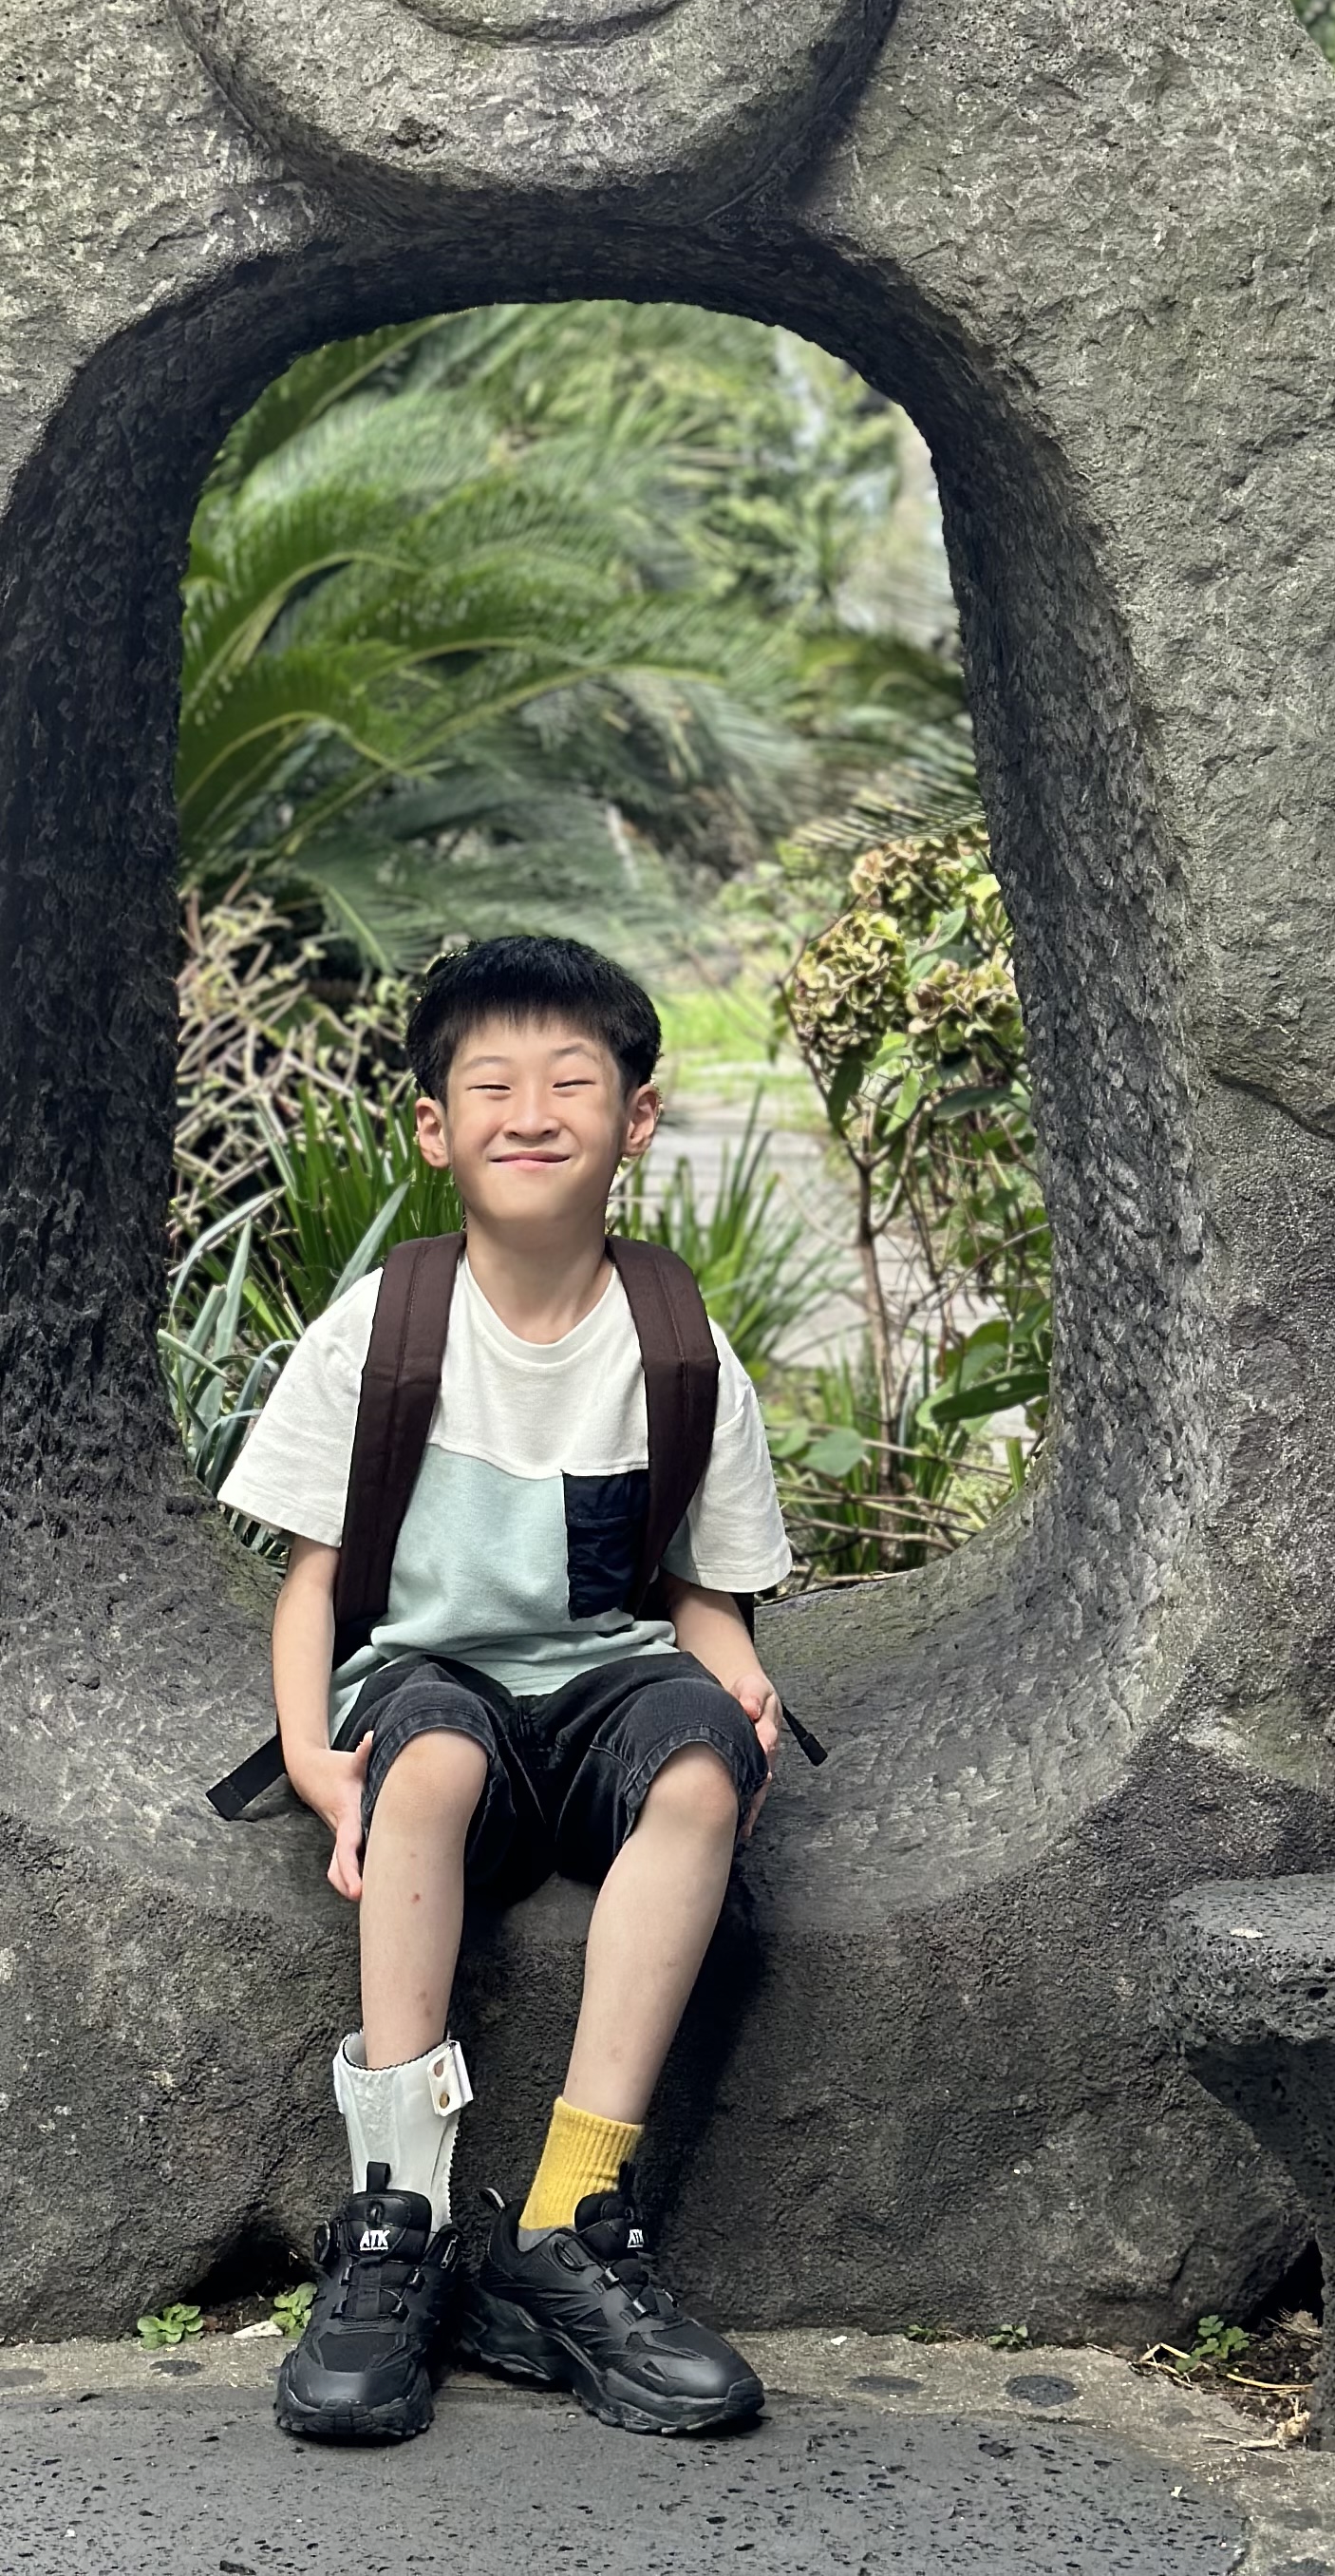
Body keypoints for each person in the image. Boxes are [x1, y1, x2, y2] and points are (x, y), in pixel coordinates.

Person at [217, 931, 797, 2444]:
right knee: (425, 1765)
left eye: (570, 1081)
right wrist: (313, 1754)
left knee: (698, 1771)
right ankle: (395, 2219)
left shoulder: (676, 1346)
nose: (530, 1112)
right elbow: (311, 1581)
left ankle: (567, 2224)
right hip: (433, 1679)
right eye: (491, 1084)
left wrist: (737, 1680)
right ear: (434, 1126)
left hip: (606, 1687)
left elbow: (702, 1591)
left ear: (637, 1117)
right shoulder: (384, 1330)